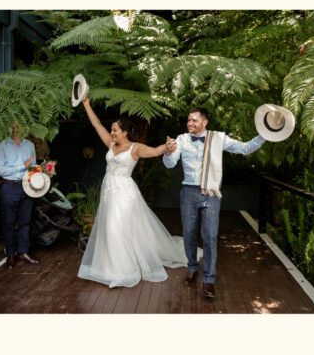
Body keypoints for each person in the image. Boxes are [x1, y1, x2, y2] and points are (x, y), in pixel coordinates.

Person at [76, 97, 190, 287]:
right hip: (109, 192)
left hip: (125, 194)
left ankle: (121, 270)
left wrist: (168, 146)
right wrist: (86, 104)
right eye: (111, 130)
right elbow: (97, 125)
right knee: (109, 226)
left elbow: (155, 151)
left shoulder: (135, 148)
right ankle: (109, 265)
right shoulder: (111, 144)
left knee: (117, 226)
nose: (111, 133)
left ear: (125, 132)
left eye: (115, 130)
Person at [163, 107, 265, 299]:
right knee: (189, 234)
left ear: (204, 122)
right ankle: (192, 267)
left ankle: (208, 280)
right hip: (188, 192)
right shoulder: (182, 139)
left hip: (211, 193)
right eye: (188, 120)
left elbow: (244, 148)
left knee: (210, 236)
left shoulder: (219, 138)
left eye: (194, 120)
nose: (189, 123)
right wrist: (168, 152)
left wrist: (264, 135)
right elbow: (170, 164)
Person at [0, 123, 46, 269]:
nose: (20, 128)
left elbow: (32, 166)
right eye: (16, 125)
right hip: (9, 186)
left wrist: (42, 170)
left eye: (22, 125)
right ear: (10, 127)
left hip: (27, 186)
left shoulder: (29, 145)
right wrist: (22, 166)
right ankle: (10, 255)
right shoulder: (1, 146)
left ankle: (23, 252)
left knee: (25, 221)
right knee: (9, 223)